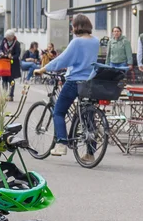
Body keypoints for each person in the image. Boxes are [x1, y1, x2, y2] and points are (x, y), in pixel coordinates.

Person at [39, 14, 101, 156]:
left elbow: (63, 59)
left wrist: (44, 68)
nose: (71, 28)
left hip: (75, 81)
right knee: (88, 117)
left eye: (72, 25)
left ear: (77, 27)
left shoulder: (76, 42)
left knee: (59, 112)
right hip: (90, 82)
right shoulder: (95, 41)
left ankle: (61, 143)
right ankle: (90, 154)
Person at [0, 32, 23, 100]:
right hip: (4, 61)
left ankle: (11, 95)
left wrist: (12, 57)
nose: (7, 39)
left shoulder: (16, 43)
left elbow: (18, 54)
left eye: (9, 38)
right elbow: (0, 49)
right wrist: (1, 52)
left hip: (12, 63)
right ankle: (4, 94)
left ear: (12, 37)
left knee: (11, 80)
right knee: (4, 79)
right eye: (7, 38)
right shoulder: (4, 41)